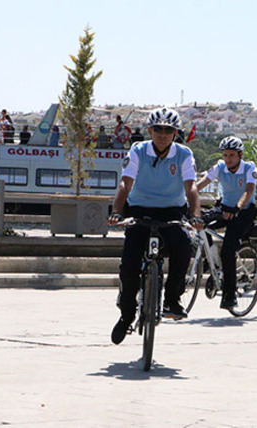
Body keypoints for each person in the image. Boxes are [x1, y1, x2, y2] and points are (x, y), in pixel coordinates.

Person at [107, 107, 203, 345]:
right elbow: (126, 183)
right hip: (140, 208)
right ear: (150, 130)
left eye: (168, 130)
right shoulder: (139, 150)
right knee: (129, 265)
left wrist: (195, 215)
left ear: (175, 133)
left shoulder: (184, 154)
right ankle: (126, 316)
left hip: (172, 209)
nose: (162, 134)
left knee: (183, 245)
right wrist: (117, 212)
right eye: (157, 129)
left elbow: (191, 187)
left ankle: (172, 299)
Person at [196, 136, 257, 310]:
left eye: (232, 155)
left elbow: (249, 191)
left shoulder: (249, 168)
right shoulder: (220, 167)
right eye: (225, 155)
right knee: (200, 224)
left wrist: (237, 208)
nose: (228, 159)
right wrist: (184, 197)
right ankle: (211, 262)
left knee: (228, 251)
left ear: (240, 155)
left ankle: (230, 296)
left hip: (244, 212)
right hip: (225, 208)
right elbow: (201, 184)